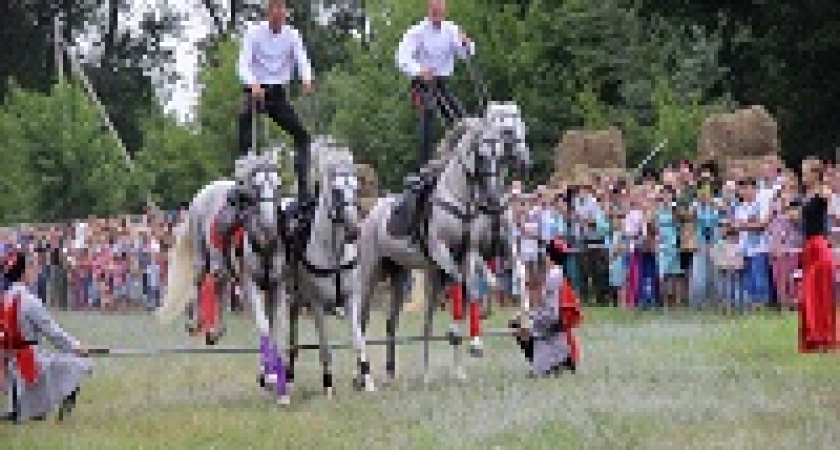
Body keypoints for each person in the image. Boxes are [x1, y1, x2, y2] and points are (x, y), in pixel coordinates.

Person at [222, 0, 315, 248]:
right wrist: (252, 83)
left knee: (303, 136)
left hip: (276, 94)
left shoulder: (293, 34)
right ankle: (242, 179)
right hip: (254, 90)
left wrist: (306, 79)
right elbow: (242, 63)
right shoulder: (254, 33)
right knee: (244, 120)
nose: (279, 14)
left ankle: (304, 190)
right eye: (275, 9)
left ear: (285, 12)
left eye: (282, 10)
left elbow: (302, 58)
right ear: (269, 12)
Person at [389, 0, 475, 241]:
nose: (438, 14)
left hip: (443, 84)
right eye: (434, 10)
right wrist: (418, 70)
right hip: (424, 83)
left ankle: (464, 162)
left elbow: (465, 54)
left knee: (462, 122)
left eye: (442, 10)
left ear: (444, 11)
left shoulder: (451, 29)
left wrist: (468, 44)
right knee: (428, 120)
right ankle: (423, 167)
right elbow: (401, 57)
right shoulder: (416, 32)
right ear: (429, 11)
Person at [1, 250, 92, 423]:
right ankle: (62, 421)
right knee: (78, 365)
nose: (37, 271)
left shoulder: (5, 298)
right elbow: (52, 332)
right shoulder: (28, 300)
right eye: (33, 267)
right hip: (30, 360)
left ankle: (27, 411)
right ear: (24, 271)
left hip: (12, 361)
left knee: (23, 410)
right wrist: (76, 347)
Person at [798, 159, 836, 353]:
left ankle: (824, 338)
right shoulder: (807, 194)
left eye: (805, 172)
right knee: (808, 296)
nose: (803, 175)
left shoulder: (822, 191)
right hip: (809, 248)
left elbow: (830, 200)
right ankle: (813, 338)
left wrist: (828, 185)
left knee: (819, 294)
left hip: (819, 248)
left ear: (815, 174)